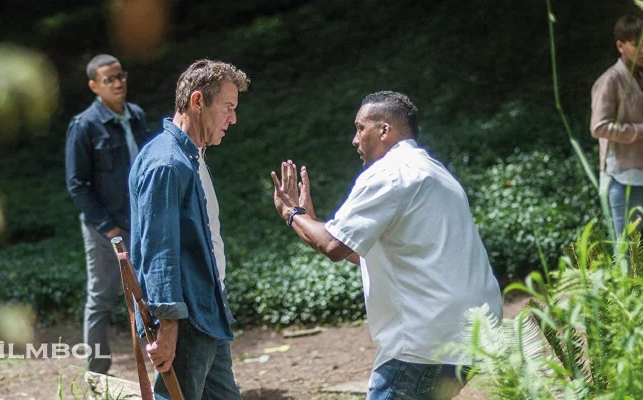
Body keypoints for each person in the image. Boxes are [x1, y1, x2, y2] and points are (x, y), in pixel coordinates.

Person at [271, 91, 503, 400]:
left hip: (424, 343)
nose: (355, 140)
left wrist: (292, 214)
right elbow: (363, 250)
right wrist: (310, 222)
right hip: (471, 334)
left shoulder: (389, 173)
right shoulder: (436, 172)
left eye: (360, 128)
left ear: (384, 130)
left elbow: (333, 245)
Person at [129, 59, 249, 399]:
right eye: (227, 107)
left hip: (208, 309)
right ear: (197, 101)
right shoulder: (167, 164)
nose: (233, 118)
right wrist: (168, 326)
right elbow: (159, 252)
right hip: (186, 320)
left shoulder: (190, 156)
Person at [65, 54, 152, 374]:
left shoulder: (137, 115)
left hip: (141, 222)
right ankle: (97, 374)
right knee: (101, 299)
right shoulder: (84, 125)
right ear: (94, 86)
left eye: (120, 76)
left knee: (149, 295)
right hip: (104, 228)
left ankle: (161, 372)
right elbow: (77, 185)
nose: (118, 83)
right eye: (109, 80)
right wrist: (109, 228)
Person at [591, 15, 643, 238]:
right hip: (621, 177)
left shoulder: (639, 75)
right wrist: (639, 131)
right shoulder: (610, 80)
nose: (642, 50)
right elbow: (599, 127)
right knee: (627, 247)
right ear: (620, 46)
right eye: (636, 44)